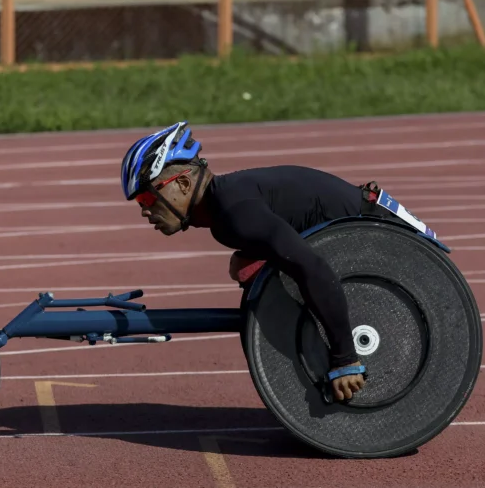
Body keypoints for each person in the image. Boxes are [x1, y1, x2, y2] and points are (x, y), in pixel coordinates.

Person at [120, 121, 373, 402]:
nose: (144, 210)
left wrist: (346, 359)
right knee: (247, 268)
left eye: (146, 197)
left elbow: (310, 267)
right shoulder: (227, 206)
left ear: (182, 183)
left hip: (383, 237)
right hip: (362, 231)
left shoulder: (234, 213)